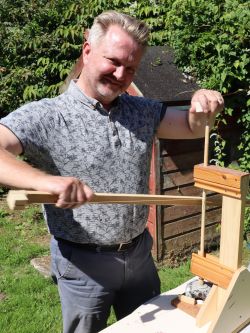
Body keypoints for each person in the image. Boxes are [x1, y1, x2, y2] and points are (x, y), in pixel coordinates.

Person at [0, 10, 224, 333]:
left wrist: (203, 105)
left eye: (130, 68)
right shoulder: (51, 115)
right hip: (82, 268)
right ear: (87, 51)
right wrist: (46, 182)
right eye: (113, 61)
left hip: (139, 259)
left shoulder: (141, 111)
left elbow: (193, 127)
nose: (121, 74)